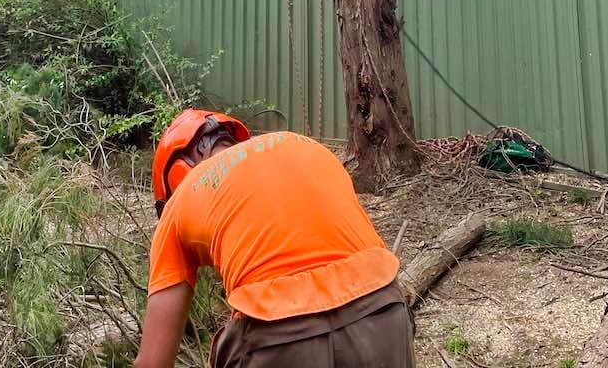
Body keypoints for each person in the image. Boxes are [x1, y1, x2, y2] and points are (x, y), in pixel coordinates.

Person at [134, 109, 415, 368]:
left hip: (279, 337)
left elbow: (154, 362)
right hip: (385, 316)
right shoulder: (307, 147)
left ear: (177, 173)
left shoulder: (179, 203)